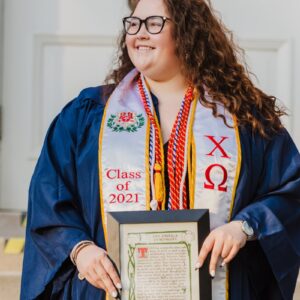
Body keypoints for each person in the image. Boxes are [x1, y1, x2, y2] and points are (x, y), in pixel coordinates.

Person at [21, 0, 300, 299]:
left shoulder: (240, 118)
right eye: (133, 24)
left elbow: (289, 190)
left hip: (218, 284)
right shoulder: (88, 116)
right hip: (110, 289)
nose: (139, 34)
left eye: (154, 24)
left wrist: (243, 227)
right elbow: (50, 197)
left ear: (187, 32)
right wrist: (80, 249)